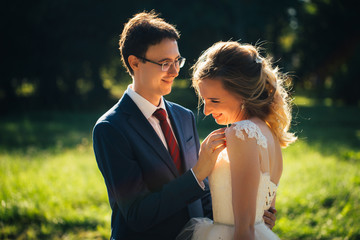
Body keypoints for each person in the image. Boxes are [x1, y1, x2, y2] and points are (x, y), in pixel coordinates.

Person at [92, 11, 227, 240]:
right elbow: (137, 214)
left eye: (177, 61)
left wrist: (239, 220)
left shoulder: (185, 117)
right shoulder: (110, 129)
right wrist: (195, 175)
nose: (175, 72)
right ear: (135, 62)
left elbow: (203, 195)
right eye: (165, 63)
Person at [176, 41, 297, 240]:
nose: (206, 111)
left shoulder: (242, 133)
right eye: (204, 100)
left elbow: (244, 230)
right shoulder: (269, 132)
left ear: (242, 95)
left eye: (215, 101)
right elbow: (267, 214)